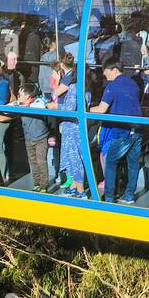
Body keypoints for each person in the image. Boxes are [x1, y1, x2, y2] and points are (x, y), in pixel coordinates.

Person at [89, 56, 143, 204]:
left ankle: (109, 196)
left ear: (114, 70)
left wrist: (87, 108)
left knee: (111, 163)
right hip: (137, 128)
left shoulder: (112, 86)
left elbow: (101, 109)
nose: (104, 75)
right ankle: (129, 195)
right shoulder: (133, 84)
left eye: (106, 72)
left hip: (121, 130)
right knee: (133, 164)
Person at [51, 55, 87, 198]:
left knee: (74, 157)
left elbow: (70, 107)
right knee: (71, 156)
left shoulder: (73, 87)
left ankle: (80, 190)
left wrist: (55, 106)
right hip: (74, 125)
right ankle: (73, 186)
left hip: (72, 126)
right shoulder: (84, 85)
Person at [15, 85, 55, 191]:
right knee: (32, 161)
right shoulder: (20, 104)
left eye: (20, 95)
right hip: (28, 137)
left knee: (41, 161)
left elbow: (41, 106)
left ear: (28, 96)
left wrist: (25, 106)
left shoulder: (38, 102)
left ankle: (43, 185)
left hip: (41, 138)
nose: (18, 97)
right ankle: (36, 183)